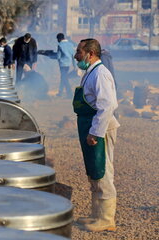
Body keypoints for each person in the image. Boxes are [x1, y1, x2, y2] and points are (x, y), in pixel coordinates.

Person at [73, 38, 120, 232]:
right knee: (93, 170)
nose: (76, 56)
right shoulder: (89, 72)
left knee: (103, 171)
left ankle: (107, 219)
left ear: (90, 54)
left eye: (79, 52)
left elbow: (107, 105)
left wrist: (95, 132)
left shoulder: (100, 73)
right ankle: (96, 214)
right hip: (90, 126)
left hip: (100, 128)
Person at [56, 33, 76, 98]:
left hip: (62, 64)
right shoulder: (70, 44)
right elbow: (73, 56)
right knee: (63, 78)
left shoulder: (60, 45)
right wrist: (75, 66)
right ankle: (60, 92)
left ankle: (69, 93)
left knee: (64, 78)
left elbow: (58, 56)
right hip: (68, 64)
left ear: (59, 39)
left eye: (57, 39)